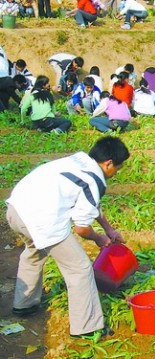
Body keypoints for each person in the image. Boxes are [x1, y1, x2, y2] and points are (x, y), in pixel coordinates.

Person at [6, 136, 130, 339]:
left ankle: (24, 305)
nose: (116, 173)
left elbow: (91, 205)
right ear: (108, 163)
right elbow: (81, 228)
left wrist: (108, 229)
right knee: (79, 268)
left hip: (16, 209)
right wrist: (98, 238)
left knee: (34, 252)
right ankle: (87, 328)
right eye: (118, 167)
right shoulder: (94, 180)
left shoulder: (79, 160)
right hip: (42, 220)